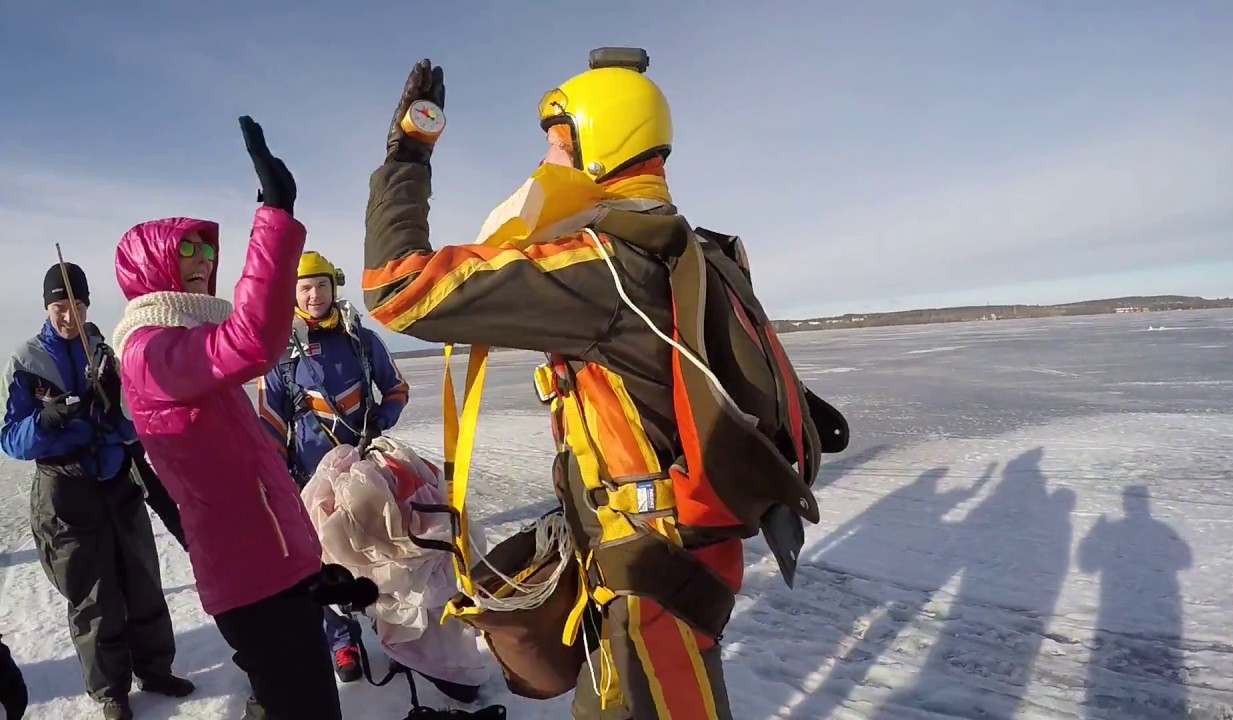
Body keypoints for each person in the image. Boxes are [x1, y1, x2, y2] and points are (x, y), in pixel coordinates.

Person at [360, 54, 846, 719]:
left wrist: (408, 155)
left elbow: (398, 288)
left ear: (600, 144)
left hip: (647, 575)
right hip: (666, 554)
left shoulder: (604, 270)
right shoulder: (685, 251)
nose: (545, 163)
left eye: (557, 146)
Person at [110, 116, 342, 720]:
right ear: (149, 266)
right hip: (251, 579)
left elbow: (252, 462)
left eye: (207, 248)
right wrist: (275, 216)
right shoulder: (149, 353)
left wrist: (307, 558)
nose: (202, 259)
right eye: (184, 249)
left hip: (276, 561)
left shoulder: (183, 341)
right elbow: (252, 341)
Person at [0, 263, 193, 719]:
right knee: (93, 597)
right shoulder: (27, 361)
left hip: (117, 480)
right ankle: (111, 692)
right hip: (65, 491)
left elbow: (134, 424)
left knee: (143, 581)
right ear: (47, 308)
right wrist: (46, 421)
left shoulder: (107, 352)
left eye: (78, 305)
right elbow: (10, 439)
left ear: (87, 305)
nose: (70, 316)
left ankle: (156, 669)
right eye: (60, 307)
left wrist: (115, 406)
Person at [257, 249, 410, 682]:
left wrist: (381, 419)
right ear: (292, 294)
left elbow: (396, 388)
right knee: (325, 562)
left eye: (321, 285)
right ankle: (343, 641)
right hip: (312, 481)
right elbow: (269, 422)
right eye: (305, 288)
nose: (314, 295)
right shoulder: (279, 353)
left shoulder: (361, 339)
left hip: (367, 471)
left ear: (333, 287)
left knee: (381, 553)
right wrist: (278, 476)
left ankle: (393, 632)